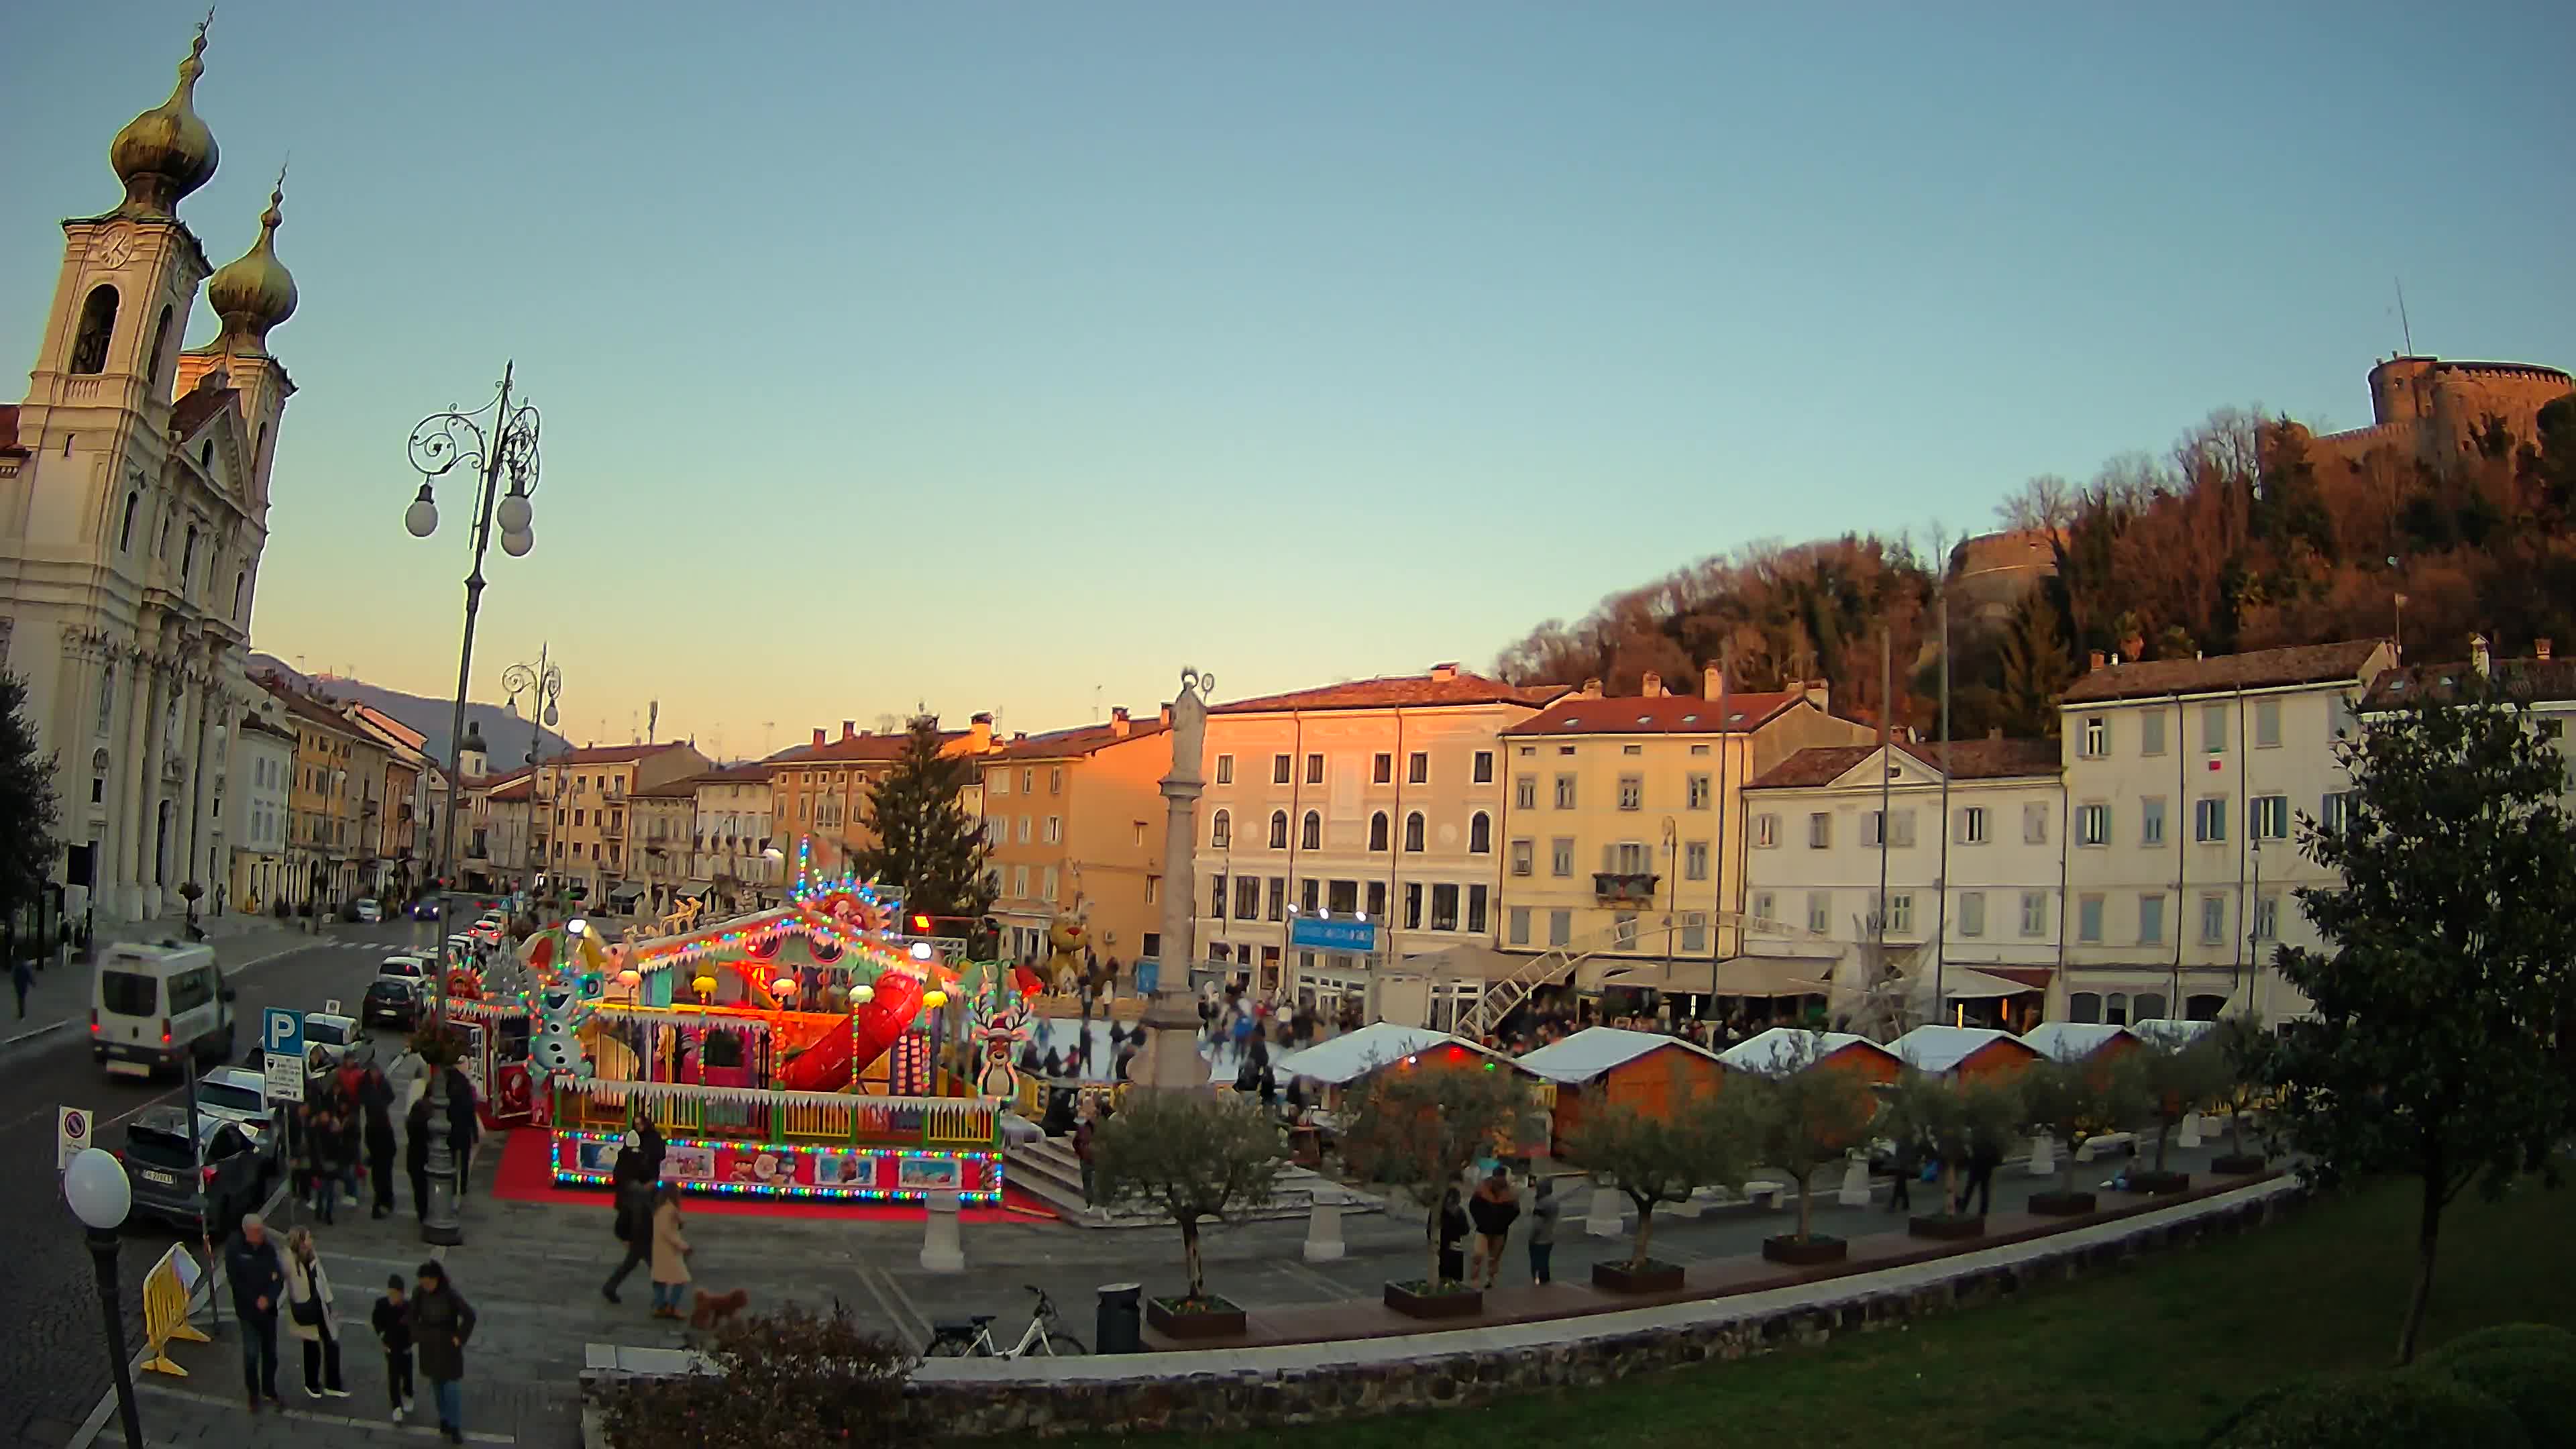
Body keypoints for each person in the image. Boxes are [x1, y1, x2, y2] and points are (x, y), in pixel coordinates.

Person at [408, 1261, 476, 1445]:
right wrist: (417, 1335)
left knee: (451, 1386)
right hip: (429, 1345)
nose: (425, 1286)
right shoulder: (419, 1293)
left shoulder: (451, 1295)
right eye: (423, 1283)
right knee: (437, 1384)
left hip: (448, 1345)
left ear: (437, 1279)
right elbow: (412, 1317)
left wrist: (459, 1337)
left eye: (428, 1282)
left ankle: (455, 1426)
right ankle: (444, 1418)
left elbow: (470, 1315)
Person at [225, 1213, 287, 1412]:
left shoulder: (268, 1249)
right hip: (248, 1313)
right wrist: (255, 1300)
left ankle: (269, 1389)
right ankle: (253, 1393)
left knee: (271, 1355)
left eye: (262, 1230)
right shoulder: (235, 1250)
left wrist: (269, 1298)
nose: (262, 1234)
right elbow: (236, 1281)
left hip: (268, 1313)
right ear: (247, 1232)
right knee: (251, 1354)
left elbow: (278, 1278)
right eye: (257, 1231)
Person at [282, 1226, 348, 1398]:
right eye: (309, 1238)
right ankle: (312, 1384)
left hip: (319, 1306)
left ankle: (333, 1384)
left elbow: (322, 1279)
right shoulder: (289, 1259)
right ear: (301, 1241)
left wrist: (329, 1303)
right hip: (304, 1309)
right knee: (311, 1347)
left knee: (332, 1344)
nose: (312, 1241)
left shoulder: (311, 1255)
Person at [601, 1142, 657, 1304]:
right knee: (655, 1265)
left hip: (638, 1234)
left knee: (631, 1263)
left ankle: (610, 1287)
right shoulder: (639, 1192)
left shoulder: (629, 1190)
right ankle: (662, 1300)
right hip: (642, 1235)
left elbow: (624, 1217)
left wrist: (624, 1236)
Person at [1468, 1167, 1521, 1289]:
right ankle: (1474, 1281)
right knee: (1478, 1255)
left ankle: (1490, 1280)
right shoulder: (1483, 1189)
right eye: (1498, 1178)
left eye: (1502, 1178)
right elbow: (1473, 1206)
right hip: (1483, 1230)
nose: (1501, 1181)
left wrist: (1504, 1223)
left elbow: (1515, 1211)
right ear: (1494, 1177)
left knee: (1494, 1258)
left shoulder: (1510, 1193)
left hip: (1500, 1231)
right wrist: (1481, 1222)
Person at [374, 1274, 415, 1421]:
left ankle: (408, 1395)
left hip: (405, 1348)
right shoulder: (382, 1304)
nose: (393, 1297)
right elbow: (377, 1322)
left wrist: (411, 1343)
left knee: (407, 1374)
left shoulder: (409, 1307)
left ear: (402, 1293)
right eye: (390, 1293)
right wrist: (382, 1338)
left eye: (396, 1294)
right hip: (391, 1347)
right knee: (393, 1377)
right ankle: (396, 1406)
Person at [648, 1184, 691, 1320]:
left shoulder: (660, 1209)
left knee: (660, 1279)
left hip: (659, 1249)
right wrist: (683, 1246)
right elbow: (667, 1232)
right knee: (681, 1279)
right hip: (669, 1251)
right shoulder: (670, 1210)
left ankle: (661, 1306)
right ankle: (671, 1307)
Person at [363, 1069, 398, 1220]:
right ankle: (385, 1202)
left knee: (380, 1180)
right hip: (382, 1156)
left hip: (380, 1156)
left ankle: (382, 1203)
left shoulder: (373, 1125)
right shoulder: (381, 1124)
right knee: (383, 1179)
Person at [443, 1067, 480, 1197]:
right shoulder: (467, 1096)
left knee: (452, 1160)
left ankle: (453, 1186)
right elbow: (472, 1116)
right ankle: (463, 1186)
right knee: (464, 1161)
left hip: (452, 1131)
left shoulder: (449, 1097)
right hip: (464, 1131)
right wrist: (475, 1134)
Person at [405, 1093, 433, 1222]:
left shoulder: (411, 1124)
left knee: (418, 1189)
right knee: (426, 1188)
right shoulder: (427, 1126)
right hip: (426, 1157)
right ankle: (427, 1212)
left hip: (413, 1158)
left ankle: (421, 1213)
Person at [1527, 1178, 1560, 1284]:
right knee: (1544, 1265)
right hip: (1549, 1238)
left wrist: (1532, 1238)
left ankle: (1537, 1286)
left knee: (1537, 1266)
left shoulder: (1542, 1204)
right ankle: (1545, 1286)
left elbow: (1537, 1225)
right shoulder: (1554, 1201)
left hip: (1539, 1240)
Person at [1436, 1186, 1470, 1285]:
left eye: (1453, 1204)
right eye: (1448, 1204)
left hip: (1456, 1248)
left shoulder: (1460, 1213)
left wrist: (1456, 1217)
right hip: (1442, 1248)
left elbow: (1465, 1231)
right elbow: (1431, 1231)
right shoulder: (1438, 1212)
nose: (1451, 1207)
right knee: (1443, 1277)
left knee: (1456, 1279)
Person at [1964, 1134, 2002, 1217]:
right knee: (1984, 1190)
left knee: (1970, 1189)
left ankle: (1963, 1207)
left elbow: (1971, 1152)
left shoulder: (1976, 1138)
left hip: (1976, 1167)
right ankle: (1983, 1212)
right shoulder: (1991, 1140)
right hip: (1986, 1167)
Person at [1889, 1132, 1920, 1213]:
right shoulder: (1906, 1141)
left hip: (1902, 1166)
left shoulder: (1904, 1141)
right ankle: (1905, 1204)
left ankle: (1893, 1205)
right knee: (1902, 1186)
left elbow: (1903, 1154)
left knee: (1899, 1185)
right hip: (1902, 1166)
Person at [1072, 1104, 1097, 1206]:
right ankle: (1090, 1202)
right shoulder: (1083, 1127)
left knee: (1091, 1181)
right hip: (1086, 1157)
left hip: (1093, 1157)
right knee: (1087, 1180)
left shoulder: (1094, 1126)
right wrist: (1081, 1153)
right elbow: (1075, 1142)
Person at [11, 954, 30, 1018]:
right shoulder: (25, 968)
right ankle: (22, 1014)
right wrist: (33, 983)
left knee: (20, 1000)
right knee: (22, 1000)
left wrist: (14, 982)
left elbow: (14, 977)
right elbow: (29, 976)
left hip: (18, 986)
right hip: (23, 986)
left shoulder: (17, 967)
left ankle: (21, 1013)